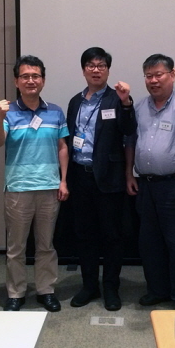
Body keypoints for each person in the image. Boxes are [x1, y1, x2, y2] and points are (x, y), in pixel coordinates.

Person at [0, 55, 69, 312]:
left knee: (46, 245)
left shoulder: (55, 111)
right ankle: (16, 292)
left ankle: (46, 290)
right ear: (16, 81)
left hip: (49, 187)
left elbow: (62, 147)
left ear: (43, 80)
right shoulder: (8, 111)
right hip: (18, 188)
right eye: (25, 76)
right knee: (16, 247)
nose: (30, 81)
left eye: (35, 76)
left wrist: (63, 181)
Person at [125, 54, 175, 310]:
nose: (153, 80)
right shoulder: (140, 107)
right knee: (150, 243)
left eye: (159, 74)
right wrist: (129, 174)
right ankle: (157, 289)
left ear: (171, 75)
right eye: (148, 76)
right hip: (147, 185)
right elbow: (131, 142)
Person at [66, 47, 136, 311]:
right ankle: (89, 286)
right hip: (80, 176)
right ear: (83, 69)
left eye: (101, 66)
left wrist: (126, 103)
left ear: (108, 70)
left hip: (109, 178)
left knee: (112, 236)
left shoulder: (117, 98)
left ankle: (110, 288)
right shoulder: (75, 101)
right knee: (84, 235)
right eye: (91, 65)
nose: (96, 70)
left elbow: (129, 130)